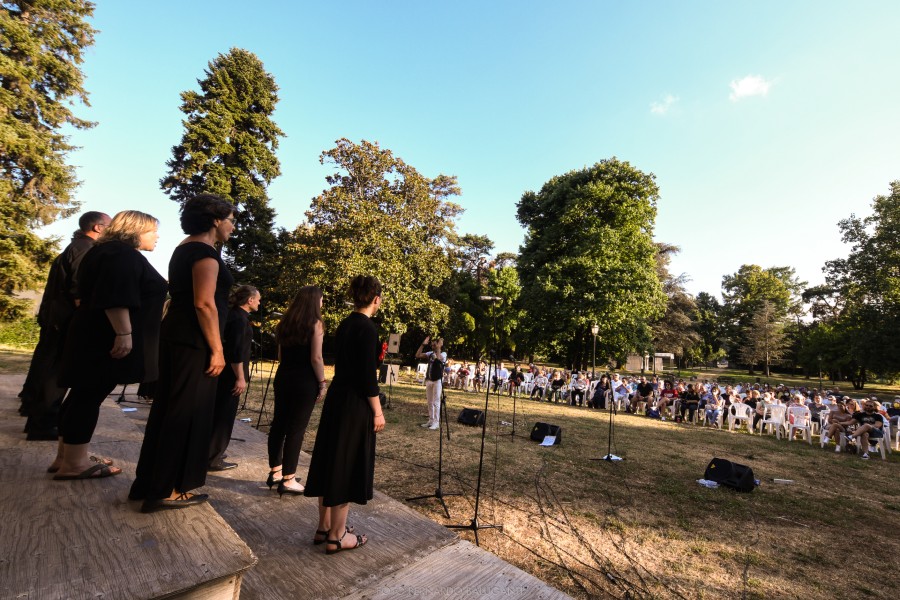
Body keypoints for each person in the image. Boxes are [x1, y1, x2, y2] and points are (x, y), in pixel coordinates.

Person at [130, 194, 235, 513]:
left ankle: (149, 484)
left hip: (176, 338)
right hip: (194, 343)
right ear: (215, 220)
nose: (232, 226)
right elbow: (204, 304)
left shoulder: (183, 248)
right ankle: (166, 489)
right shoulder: (204, 253)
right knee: (186, 414)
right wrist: (217, 350)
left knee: (167, 410)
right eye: (230, 220)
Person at [51, 211, 165, 479]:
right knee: (88, 396)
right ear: (135, 231)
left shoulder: (106, 251)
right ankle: (74, 464)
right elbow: (116, 294)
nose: (157, 236)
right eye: (152, 231)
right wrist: (124, 332)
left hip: (92, 333)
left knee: (81, 394)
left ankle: (66, 456)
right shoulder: (122, 255)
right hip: (104, 338)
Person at [304, 275, 385, 553]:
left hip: (337, 398)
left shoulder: (345, 324)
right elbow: (367, 377)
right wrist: (377, 412)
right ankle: (337, 536)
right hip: (355, 404)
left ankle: (324, 526)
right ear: (376, 299)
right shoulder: (368, 329)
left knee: (330, 458)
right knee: (346, 464)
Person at [20, 211, 111, 440]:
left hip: (58, 317)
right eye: (109, 226)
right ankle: (43, 423)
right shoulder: (85, 249)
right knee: (57, 373)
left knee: (49, 367)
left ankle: (34, 412)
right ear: (98, 228)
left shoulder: (76, 246)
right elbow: (79, 291)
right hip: (66, 320)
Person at [262, 286, 328, 495]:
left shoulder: (284, 323)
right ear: (314, 301)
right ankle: (289, 478)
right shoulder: (316, 324)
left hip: (284, 377)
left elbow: (280, 355)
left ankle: (275, 471)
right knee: (296, 429)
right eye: (321, 299)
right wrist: (322, 382)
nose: (322, 303)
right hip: (304, 380)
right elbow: (316, 357)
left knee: (278, 425)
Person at [208, 285, 260, 471]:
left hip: (224, 373)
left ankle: (211, 452)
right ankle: (213, 458)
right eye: (258, 299)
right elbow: (235, 351)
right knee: (224, 416)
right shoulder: (239, 320)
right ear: (250, 300)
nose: (259, 303)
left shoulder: (233, 315)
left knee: (219, 413)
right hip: (231, 375)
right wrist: (240, 377)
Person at [416, 336, 446, 430]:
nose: (433, 346)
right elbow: (418, 355)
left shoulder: (443, 354)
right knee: (430, 402)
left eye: (434, 345)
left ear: (439, 345)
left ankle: (436, 422)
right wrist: (423, 345)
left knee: (436, 402)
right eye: (432, 345)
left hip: (437, 380)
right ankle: (431, 420)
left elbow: (438, 359)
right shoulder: (430, 354)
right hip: (429, 380)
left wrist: (439, 347)